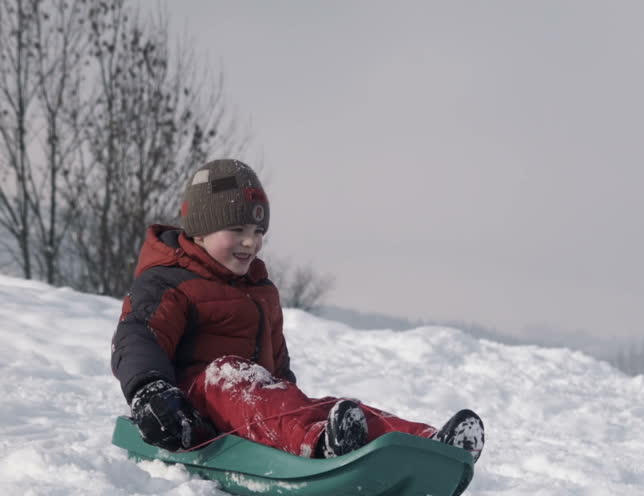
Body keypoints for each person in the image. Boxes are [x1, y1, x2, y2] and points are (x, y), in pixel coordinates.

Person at [110, 159, 484, 462]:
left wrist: (289, 396)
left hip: (257, 407)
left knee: (328, 407)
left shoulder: (260, 291)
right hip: (188, 411)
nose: (250, 241)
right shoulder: (168, 281)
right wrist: (151, 392)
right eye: (236, 228)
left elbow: (277, 366)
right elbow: (137, 336)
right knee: (231, 375)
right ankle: (322, 444)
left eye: (258, 231)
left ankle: (426, 446)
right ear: (199, 231)